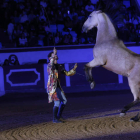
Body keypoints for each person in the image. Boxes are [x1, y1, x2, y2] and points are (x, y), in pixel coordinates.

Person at [47, 47, 77, 123]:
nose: (55, 57)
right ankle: (54, 119)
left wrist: (73, 69)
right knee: (57, 102)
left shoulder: (59, 66)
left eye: (56, 56)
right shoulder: (50, 66)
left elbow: (67, 73)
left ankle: (58, 116)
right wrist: (54, 53)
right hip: (52, 87)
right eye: (54, 56)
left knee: (64, 100)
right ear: (51, 58)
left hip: (57, 86)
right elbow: (51, 63)